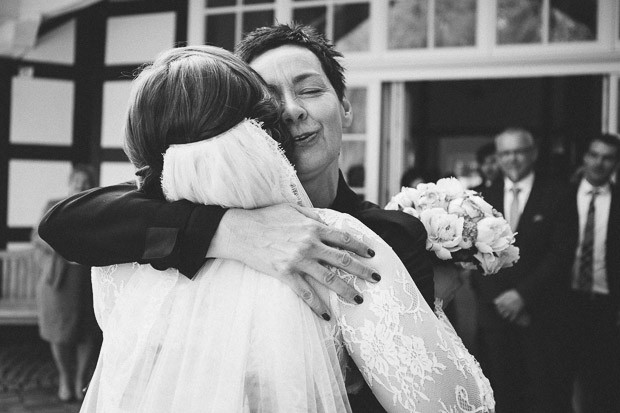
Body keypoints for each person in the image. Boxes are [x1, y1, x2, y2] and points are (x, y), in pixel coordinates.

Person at [79, 44, 494, 412]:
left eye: (310, 89)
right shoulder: (342, 239)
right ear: (252, 128)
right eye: (269, 101)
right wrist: (227, 230)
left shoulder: (120, 262)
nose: (291, 110)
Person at [471, 128, 576, 413]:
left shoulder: (559, 193)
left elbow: (562, 253)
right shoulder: (480, 199)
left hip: (542, 315)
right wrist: (500, 299)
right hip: (495, 316)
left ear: (533, 153)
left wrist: (521, 295)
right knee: (501, 398)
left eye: (519, 151)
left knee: (547, 397)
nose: (512, 159)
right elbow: (474, 256)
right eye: (505, 153)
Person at [31, 165, 101, 402]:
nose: (80, 187)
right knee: (58, 332)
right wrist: (64, 246)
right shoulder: (53, 205)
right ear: (69, 184)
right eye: (76, 182)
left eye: (85, 183)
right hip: (57, 281)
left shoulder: (98, 208)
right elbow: (38, 236)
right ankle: (65, 378)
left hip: (86, 280)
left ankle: (81, 379)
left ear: (91, 185)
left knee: (87, 333)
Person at [567, 133, 620, 413]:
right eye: (595, 155)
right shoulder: (562, 194)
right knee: (558, 378)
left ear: (616, 163)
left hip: (605, 304)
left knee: (602, 380)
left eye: (608, 157)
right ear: (585, 157)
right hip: (563, 300)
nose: (600, 163)